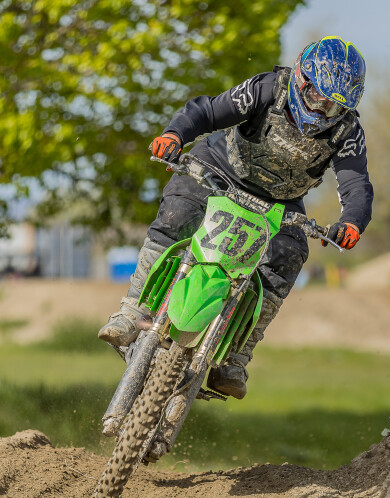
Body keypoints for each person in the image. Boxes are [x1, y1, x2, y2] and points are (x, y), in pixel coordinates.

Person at [98, 36, 373, 399]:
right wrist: (174, 134)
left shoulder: (347, 131)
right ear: (301, 78)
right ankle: (132, 311)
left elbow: (356, 184)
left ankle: (236, 356)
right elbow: (207, 111)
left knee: (289, 255)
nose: (322, 112)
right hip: (218, 169)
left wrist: (352, 221)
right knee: (178, 213)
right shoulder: (267, 89)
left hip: (281, 200)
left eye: (334, 106)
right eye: (317, 98)